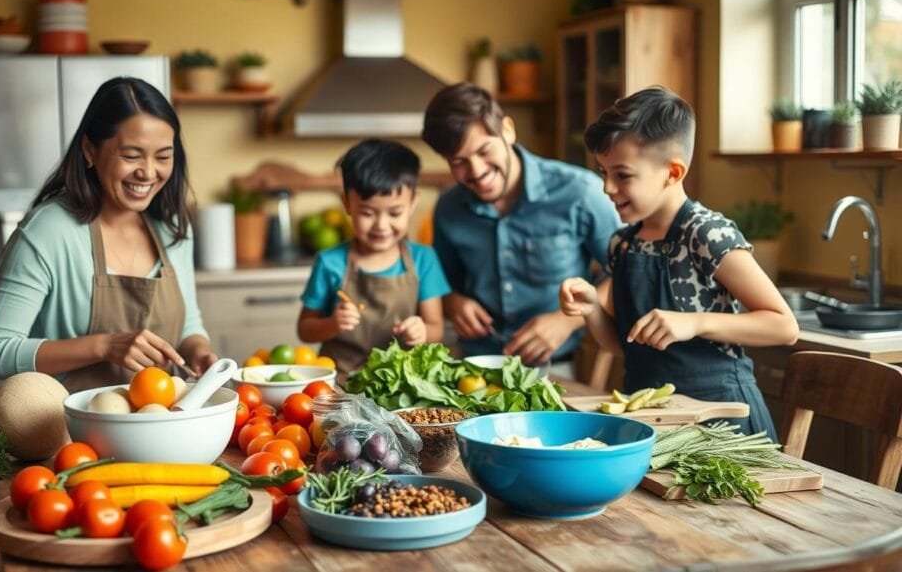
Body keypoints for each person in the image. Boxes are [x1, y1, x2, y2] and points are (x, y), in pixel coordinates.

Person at [560, 86, 798, 437]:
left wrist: (694, 323)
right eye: (602, 172)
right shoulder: (623, 242)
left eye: (622, 175)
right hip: (649, 420)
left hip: (723, 424)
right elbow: (621, 346)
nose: (607, 188)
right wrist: (593, 308)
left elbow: (784, 326)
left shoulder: (706, 233)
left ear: (673, 173)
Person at [0, 77, 218, 391]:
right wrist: (104, 346)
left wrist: (198, 351)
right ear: (90, 150)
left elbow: (188, 325)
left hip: (158, 424)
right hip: (67, 430)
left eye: (163, 156)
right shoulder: (48, 231)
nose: (148, 172)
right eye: (131, 155)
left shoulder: (170, 227)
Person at [421, 82, 620, 372]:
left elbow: (626, 272)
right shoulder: (448, 208)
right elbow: (440, 281)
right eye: (459, 162)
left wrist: (567, 320)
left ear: (507, 130)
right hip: (473, 367)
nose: (476, 171)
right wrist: (453, 304)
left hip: (555, 368)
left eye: (484, 151)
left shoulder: (581, 192)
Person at [297, 138, 451, 376]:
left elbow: (436, 328)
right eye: (367, 213)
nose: (381, 225)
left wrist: (422, 331)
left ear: (412, 203)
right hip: (340, 383)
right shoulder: (330, 262)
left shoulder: (424, 259)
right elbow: (305, 329)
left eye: (395, 212)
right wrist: (332, 324)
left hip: (401, 382)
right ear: (347, 204)